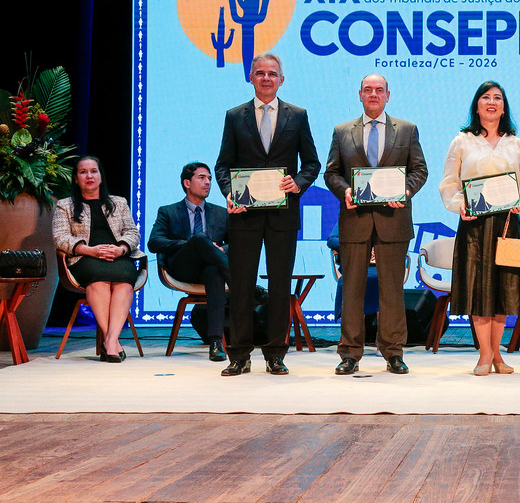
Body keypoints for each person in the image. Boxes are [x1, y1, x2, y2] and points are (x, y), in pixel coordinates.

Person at [214, 52, 320, 376]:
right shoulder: (235, 116)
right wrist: (230, 193)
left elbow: (312, 164)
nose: (266, 78)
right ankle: (239, 355)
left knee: (279, 285)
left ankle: (276, 354)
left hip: (282, 216)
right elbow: (222, 166)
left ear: (281, 79)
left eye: (272, 73)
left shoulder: (298, 116)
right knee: (242, 287)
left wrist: (297, 182)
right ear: (251, 77)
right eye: (260, 73)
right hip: (244, 216)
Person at [325, 73, 428, 376]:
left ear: (388, 95)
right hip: (354, 220)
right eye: (368, 90)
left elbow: (419, 170)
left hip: (393, 221)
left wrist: (406, 191)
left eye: (378, 90)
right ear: (359, 95)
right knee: (352, 289)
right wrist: (344, 190)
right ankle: (349, 354)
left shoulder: (407, 130)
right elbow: (331, 172)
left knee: (392, 292)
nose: (373, 94)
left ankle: (393, 352)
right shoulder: (342, 131)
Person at [439, 81, 520, 376]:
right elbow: (449, 184)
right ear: (476, 105)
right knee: (480, 290)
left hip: (507, 223)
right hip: (475, 225)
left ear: (504, 107)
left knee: (503, 290)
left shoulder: (515, 143)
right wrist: (459, 205)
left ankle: (498, 355)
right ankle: (484, 354)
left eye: (497, 98)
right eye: (485, 97)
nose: (491, 102)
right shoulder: (461, 141)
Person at [52, 156, 144, 362]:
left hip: (117, 257)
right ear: (76, 179)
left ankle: (110, 340)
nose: (89, 176)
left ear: (101, 176)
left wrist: (120, 249)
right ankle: (112, 342)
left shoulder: (119, 203)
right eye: (83, 172)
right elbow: (60, 238)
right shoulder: (64, 205)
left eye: (93, 171)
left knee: (124, 280)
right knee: (99, 279)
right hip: (84, 259)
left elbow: (132, 232)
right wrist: (89, 250)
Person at [147, 161, 230, 361]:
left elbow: (235, 243)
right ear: (187, 182)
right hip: (181, 267)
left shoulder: (221, 212)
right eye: (201, 178)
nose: (207, 182)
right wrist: (189, 245)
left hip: (210, 268)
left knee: (214, 271)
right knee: (200, 239)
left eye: (209, 178)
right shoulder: (168, 211)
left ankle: (216, 342)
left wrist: (219, 249)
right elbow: (154, 242)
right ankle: (245, 287)